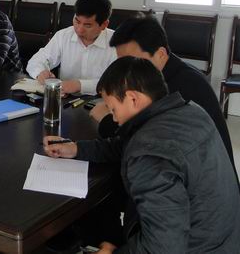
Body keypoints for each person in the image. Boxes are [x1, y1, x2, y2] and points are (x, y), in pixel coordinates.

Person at [44, 57, 240, 254]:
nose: (114, 118)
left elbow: (162, 248)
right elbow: (127, 144)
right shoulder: (190, 112)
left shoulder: (149, 154)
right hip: (225, 239)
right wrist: (76, 149)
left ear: (133, 99)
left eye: (113, 109)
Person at [92, 15, 236, 170]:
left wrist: (107, 120)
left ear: (160, 54)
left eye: (134, 61)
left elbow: (140, 140)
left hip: (200, 176)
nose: (126, 70)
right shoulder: (163, 74)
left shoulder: (182, 87)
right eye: (122, 62)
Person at [27, 0, 116, 94]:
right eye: (77, 21)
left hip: (103, 100)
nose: (79, 30)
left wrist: (80, 85)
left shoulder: (117, 43)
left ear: (104, 24)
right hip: (66, 99)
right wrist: (40, 73)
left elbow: (118, 82)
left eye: (87, 25)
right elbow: (35, 61)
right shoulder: (63, 35)